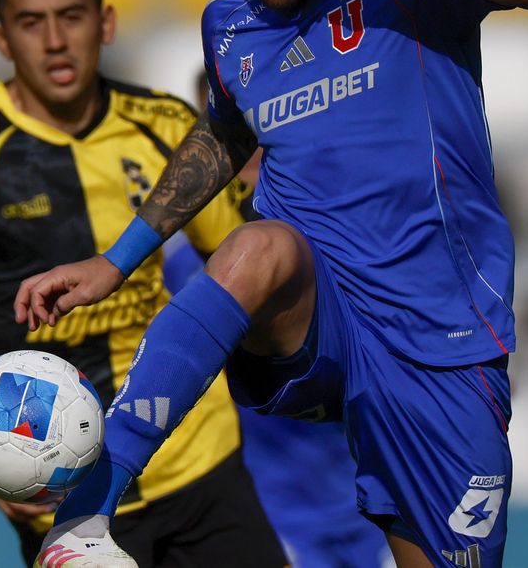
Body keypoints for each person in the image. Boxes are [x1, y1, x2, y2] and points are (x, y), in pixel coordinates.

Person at [15, 0, 528, 566]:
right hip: (317, 316)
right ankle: (88, 513)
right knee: (257, 246)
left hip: (438, 339)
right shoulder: (231, 21)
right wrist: (115, 262)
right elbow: (222, 137)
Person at [0, 0, 288, 567]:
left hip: (195, 458)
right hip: (56, 485)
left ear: (106, 22)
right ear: (1, 40)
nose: (55, 40)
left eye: (71, 17)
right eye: (31, 23)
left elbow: (242, 264)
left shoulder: (168, 128)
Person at [162, 71, 390, 568]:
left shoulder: (355, 247)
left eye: (264, 121)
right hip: (268, 528)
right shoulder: (184, 272)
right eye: (230, 132)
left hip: (371, 518)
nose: (251, 147)